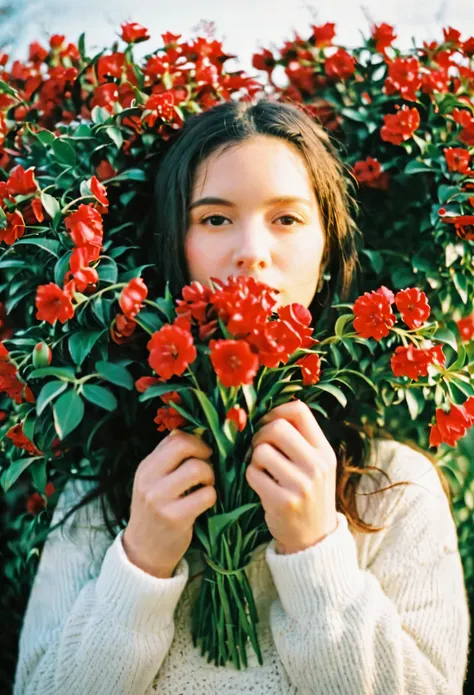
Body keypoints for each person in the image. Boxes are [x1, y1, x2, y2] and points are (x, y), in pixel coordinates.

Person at [14, 98, 470, 694]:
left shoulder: (393, 492)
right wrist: (141, 564)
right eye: (215, 218)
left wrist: (314, 553)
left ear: (328, 251)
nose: (252, 251)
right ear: (175, 247)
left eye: (286, 219)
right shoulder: (105, 497)